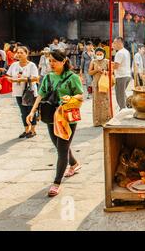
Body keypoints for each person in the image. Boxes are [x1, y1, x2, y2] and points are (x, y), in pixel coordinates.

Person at [26, 49, 84, 197]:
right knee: (59, 147)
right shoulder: (48, 77)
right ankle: (74, 164)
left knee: (62, 150)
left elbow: (80, 95)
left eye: (54, 61)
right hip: (51, 118)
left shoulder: (72, 77)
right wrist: (32, 112)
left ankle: (56, 183)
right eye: (49, 61)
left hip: (67, 118)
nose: (51, 63)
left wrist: (69, 99)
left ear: (63, 61)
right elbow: (41, 95)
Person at [5, 46, 40, 138]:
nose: (19, 54)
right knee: (23, 112)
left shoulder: (32, 65)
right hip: (18, 92)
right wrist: (10, 79)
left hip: (30, 92)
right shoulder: (14, 65)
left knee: (30, 111)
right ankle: (26, 129)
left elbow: (36, 78)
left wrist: (22, 79)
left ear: (26, 54)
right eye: (18, 53)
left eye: (21, 53)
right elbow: (7, 75)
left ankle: (33, 130)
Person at [89, 47, 112, 126]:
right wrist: (96, 70)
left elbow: (111, 71)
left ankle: (105, 120)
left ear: (104, 54)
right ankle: (97, 121)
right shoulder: (93, 61)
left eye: (100, 54)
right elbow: (90, 72)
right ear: (95, 55)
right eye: (97, 54)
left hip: (104, 84)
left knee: (105, 101)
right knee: (97, 102)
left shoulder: (107, 61)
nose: (99, 55)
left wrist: (105, 71)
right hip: (96, 84)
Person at [113, 37, 131, 110]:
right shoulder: (126, 51)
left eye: (115, 43)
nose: (113, 45)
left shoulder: (119, 53)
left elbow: (116, 66)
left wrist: (109, 67)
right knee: (122, 93)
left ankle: (123, 110)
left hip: (121, 76)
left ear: (120, 43)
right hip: (127, 75)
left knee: (119, 95)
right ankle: (128, 105)